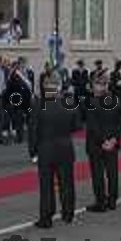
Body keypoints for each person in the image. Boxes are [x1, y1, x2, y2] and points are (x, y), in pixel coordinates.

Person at [28, 71, 78, 228]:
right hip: (65, 147)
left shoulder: (38, 104)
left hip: (45, 149)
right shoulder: (68, 102)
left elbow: (33, 131)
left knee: (46, 186)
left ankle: (46, 218)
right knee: (67, 183)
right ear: (58, 86)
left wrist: (33, 152)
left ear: (44, 86)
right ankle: (68, 214)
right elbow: (76, 126)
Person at [85, 70, 121, 212]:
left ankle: (101, 202)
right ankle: (112, 201)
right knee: (112, 172)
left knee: (98, 173)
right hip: (112, 142)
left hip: (96, 144)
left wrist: (104, 141)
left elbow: (92, 126)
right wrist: (113, 139)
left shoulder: (92, 102)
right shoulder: (115, 99)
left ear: (98, 85)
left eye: (94, 84)